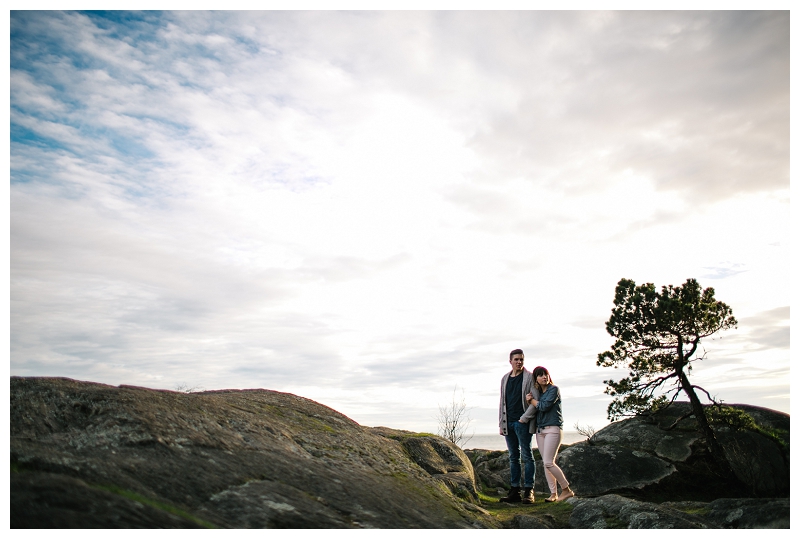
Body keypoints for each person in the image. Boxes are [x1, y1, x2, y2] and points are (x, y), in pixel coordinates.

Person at [526, 366, 575, 502]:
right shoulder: (538, 394)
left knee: (548, 462)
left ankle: (566, 490)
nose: (544, 377)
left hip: (553, 428)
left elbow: (544, 406)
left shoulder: (554, 390)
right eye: (541, 375)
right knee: (546, 463)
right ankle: (553, 494)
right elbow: (535, 408)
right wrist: (530, 400)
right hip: (540, 431)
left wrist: (532, 401)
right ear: (536, 379)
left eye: (546, 374)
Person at [498, 349, 539, 504]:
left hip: (522, 423)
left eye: (521, 359)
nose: (519, 362)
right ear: (510, 361)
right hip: (508, 423)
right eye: (516, 359)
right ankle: (515, 491)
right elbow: (502, 401)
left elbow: (535, 400)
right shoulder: (505, 378)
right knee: (513, 457)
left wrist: (524, 419)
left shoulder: (529, 377)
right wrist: (501, 423)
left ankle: (529, 491)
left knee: (527, 456)